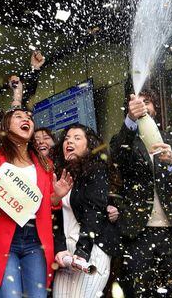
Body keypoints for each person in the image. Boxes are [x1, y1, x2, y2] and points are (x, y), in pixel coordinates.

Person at [0, 109, 73, 298]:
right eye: (19, 117)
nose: (26, 119)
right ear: (6, 126)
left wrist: (57, 196)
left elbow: (45, 205)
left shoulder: (45, 163)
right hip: (4, 240)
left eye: (29, 118)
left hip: (36, 240)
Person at [110, 89, 172, 297]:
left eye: (147, 102)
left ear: (155, 108)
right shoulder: (124, 140)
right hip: (138, 232)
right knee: (138, 291)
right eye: (136, 102)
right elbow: (117, 160)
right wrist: (130, 120)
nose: (142, 106)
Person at [52, 124, 120, 297]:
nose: (69, 141)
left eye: (77, 138)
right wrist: (60, 248)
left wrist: (82, 252)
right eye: (67, 138)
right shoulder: (58, 174)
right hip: (66, 253)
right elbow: (55, 216)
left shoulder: (96, 171)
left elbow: (93, 214)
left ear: (89, 146)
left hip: (92, 248)